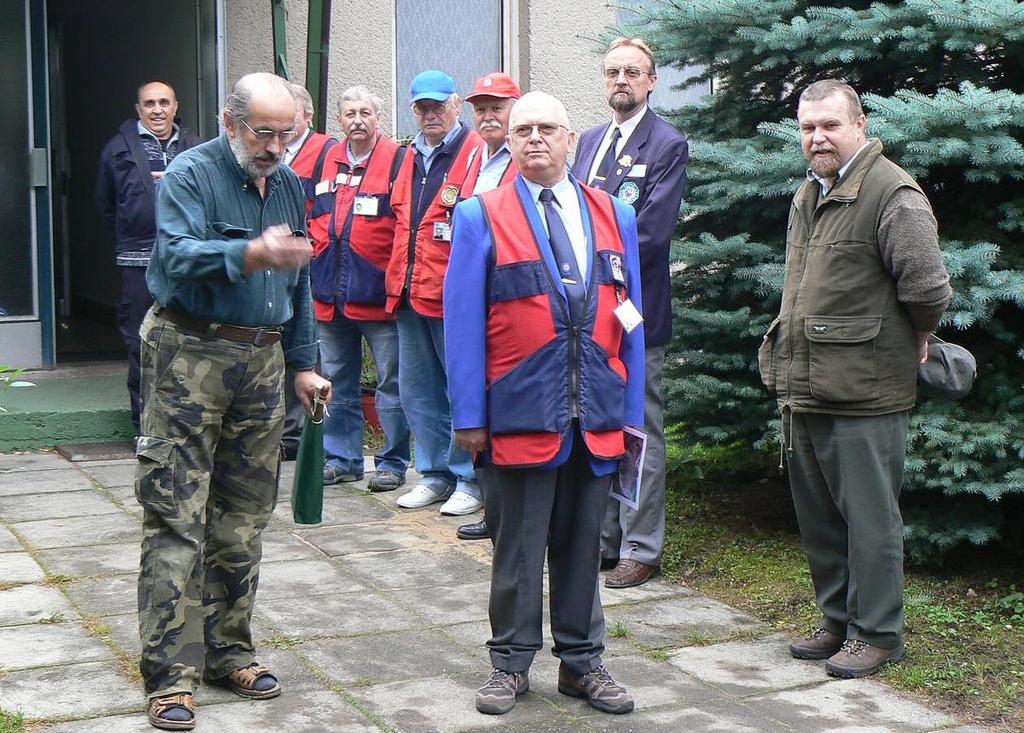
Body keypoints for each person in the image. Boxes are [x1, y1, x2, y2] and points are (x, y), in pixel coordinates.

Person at [136, 72, 330, 731]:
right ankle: (172, 674)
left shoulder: (290, 184)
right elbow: (176, 256)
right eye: (264, 133)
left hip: (263, 361)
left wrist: (304, 365)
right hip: (189, 354)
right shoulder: (191, 174)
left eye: (286, 133)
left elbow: (299, 282)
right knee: (177, 518)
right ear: (230, 122)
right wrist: (249, 251)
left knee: (243, 518)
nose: (276, 146)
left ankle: (229, 650)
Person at [445, 91, 645, 717]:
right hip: (519, 412)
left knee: (585, 545)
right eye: (523, 128)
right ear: (510, 139)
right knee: (519, 547)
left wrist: (630, 411)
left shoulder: (615, 214)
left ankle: (583, 665)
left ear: (571, 139)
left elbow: (632, 321)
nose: (534, 138)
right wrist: (470, 418)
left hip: (598, 413)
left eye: (547, 128)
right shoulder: (482, 214)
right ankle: (508, 665)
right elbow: (461, 323)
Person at [759, 79, 951, 678]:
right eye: (808, 127)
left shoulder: (892, 192)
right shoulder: (808, 193)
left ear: (860, 125)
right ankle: (837, 622)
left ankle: (879, 632)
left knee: (869, 518)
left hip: (866, 391)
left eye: (830, 125)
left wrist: (918, 335)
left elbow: (926, 286)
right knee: (819, 515)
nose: (818, 137)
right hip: (807, 383)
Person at [572, 37, 689, 589]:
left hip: (635, 311)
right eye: (613, 71)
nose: (621, 79)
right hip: (586, 311)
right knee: (598, 419)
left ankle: (642, 546)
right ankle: (602, 539)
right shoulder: (590, 141)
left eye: (633, 71)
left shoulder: (667, 144)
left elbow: (650, 232)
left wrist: (584, 255)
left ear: (651, 81)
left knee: (641, 425)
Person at [384, 70, 483, 515]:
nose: (430, 114)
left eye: (438, 106)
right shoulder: (407, 157)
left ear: (456, 105)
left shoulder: (475, 153)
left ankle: (468, 478)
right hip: (407, 292)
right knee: (418, 391)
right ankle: (433, 474)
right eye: (422, 107)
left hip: (450, 295)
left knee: (458, 387)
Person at [308, 85, 410, 491]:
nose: (357, 120)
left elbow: (404, 225)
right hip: (330, 294)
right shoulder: (326, 161)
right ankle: (342, 459)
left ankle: (393, 462)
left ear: (378, 118)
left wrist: (395, 283)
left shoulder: (397, 160)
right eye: (350, 113)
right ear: (339, 120)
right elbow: (313, 215)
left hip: (378, 296)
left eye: (365, 112)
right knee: (335, 381)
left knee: (391, 384)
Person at [95, 80, 200, 432]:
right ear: (138, 110)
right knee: (140, 343)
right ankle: (146, 430)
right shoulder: (117, 149)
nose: (157, 110)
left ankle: (184, 427)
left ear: (175, 107)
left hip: (185, 262)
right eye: (150, 103)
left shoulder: (196, 149)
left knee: (190, 341)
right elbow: (106, 203)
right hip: (137, 262)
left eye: (164, 103)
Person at [454, 71, 521, 542]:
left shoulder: (525, 160)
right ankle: (483, 496)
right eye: (480, 107)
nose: (488, 115)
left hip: (507, 295)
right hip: (467, 289)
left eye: (497, 106)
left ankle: (496, 505)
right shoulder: (473, 156)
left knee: (498, 401)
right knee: (466, 392)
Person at [278, 83, 340, 460]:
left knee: (308, 353)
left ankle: (299, 435)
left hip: (308, 267)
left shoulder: (326, 152)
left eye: (289, 116)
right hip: (274, 268)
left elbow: (328, 211)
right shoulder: (276, 153)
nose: (282, 127)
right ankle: (285, 433)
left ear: (308, 116)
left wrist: (305, 250)